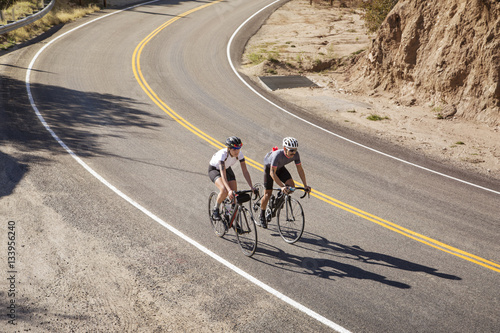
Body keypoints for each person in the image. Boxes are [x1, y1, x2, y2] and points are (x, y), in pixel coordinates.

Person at [258, 137, 311, 228]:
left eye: (295, 150)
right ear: (285, 149)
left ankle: (278, 199)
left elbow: (300, 169)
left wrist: (305, 185)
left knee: (291, 187)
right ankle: (262, 215)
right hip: (269, 168)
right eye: (291, 150)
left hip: (280, 167)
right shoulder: (277, 155)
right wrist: (282, 186)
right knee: (267, 194)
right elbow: (272, 173)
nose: (293, 153)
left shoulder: (296, 154)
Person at [208, 136, 255, 221]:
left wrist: (251, 186)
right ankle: (216, 209)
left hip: (227, 168)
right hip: (215, 169)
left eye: (238, 149)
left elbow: (245, 171)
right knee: (224, 190)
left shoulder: (239, 154)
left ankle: (232, 219)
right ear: (229, 149)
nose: (237, 151)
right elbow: (223, 176)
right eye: (234, 149)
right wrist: (229, 190)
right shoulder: (222, 155)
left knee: (234, 196)